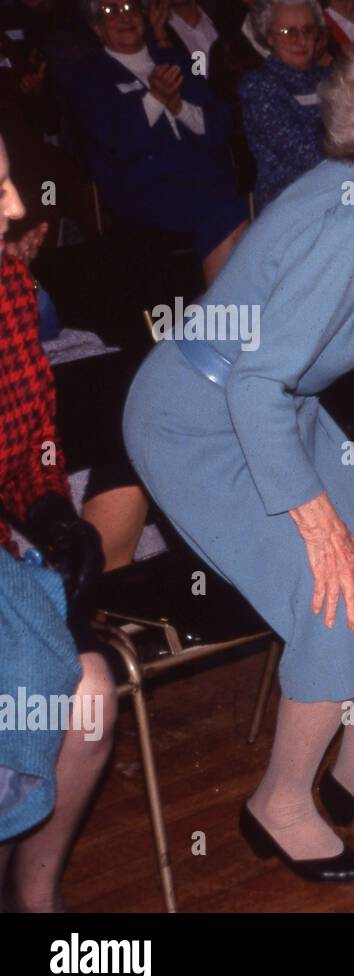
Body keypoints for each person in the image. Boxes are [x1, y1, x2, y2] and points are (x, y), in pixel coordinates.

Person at [121, 25, 354, 884]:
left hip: (273, 402)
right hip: (203, 421)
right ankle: (281, 800)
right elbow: (254, 383)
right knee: (341, 595)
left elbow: (278, 372)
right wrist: (315, 518)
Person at [0, 132, 118, 911]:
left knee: (91, 694)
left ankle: (32, 895)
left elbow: (34, 433)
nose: (14, 207)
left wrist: (49, 508)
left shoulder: (9, 284)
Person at [69, 0, 248, 285]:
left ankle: (242, 312)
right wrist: (155, 99)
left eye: (130, 8)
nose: (123, 17)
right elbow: (117, 142)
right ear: (96, 27)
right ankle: (225, 319)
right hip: (146, 190)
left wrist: (179, 108)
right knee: (223, 212)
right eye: (109, 11)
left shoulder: (173, 58)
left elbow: (221, 123)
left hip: (206, 177)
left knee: (249, 209)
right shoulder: (89, 76)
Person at [240, 0, 331, 210]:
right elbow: (305, 154)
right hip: (288, 202)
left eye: (308, 30)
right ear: (270, 37)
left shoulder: (332, 79)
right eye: (289, 32)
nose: (301, 41)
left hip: (342, 189)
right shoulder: (258, 87)